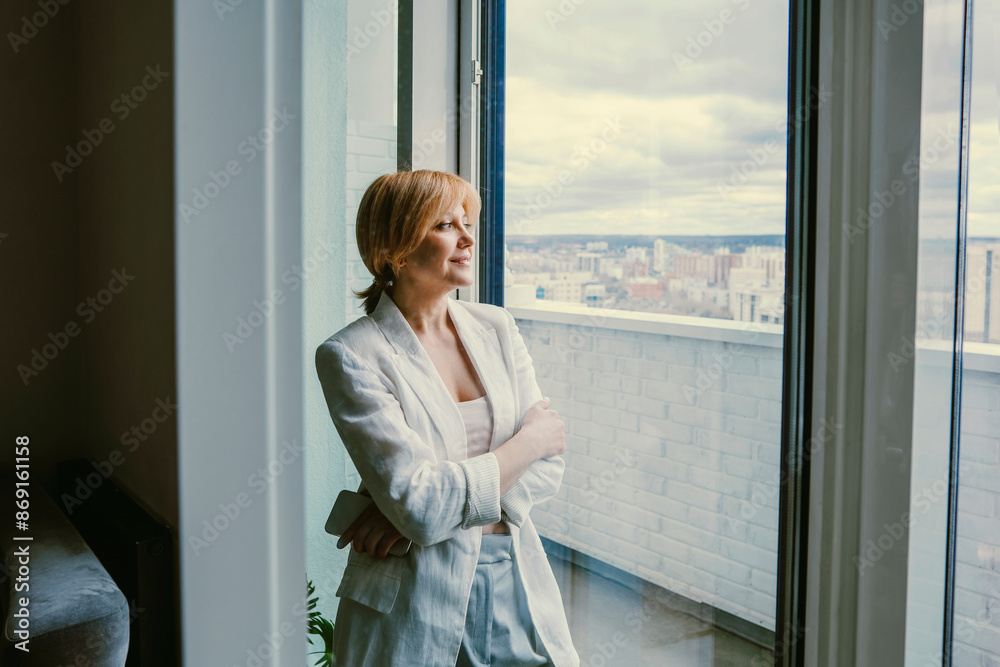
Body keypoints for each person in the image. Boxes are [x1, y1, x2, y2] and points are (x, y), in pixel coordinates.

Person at [314, 170, 581, 666]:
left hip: (513, 578)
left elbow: (549, 469)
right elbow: (422, 507)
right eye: (444, 225)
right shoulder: (352, 355)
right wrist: (527, 444)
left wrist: (416, 513)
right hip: (413, 601)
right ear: (393, 248)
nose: (467, 238)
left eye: (466, 222)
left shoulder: (496, 327)